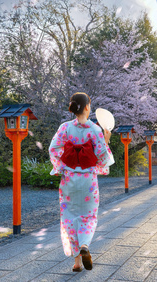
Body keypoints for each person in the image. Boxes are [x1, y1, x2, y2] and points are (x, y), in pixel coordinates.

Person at [49, 92, 114, 272]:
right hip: (88, 181)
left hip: (69, 180)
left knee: (69, 217)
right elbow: (102, 157)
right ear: (87, 107)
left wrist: (60, 167)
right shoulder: (95, 130)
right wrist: (106, 141)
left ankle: (77, 262)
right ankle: (84, 245)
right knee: (88, 216)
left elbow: (53, 148)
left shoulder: (65, 128)